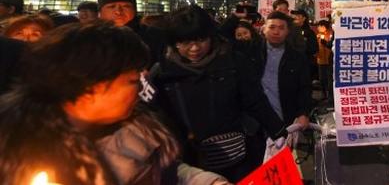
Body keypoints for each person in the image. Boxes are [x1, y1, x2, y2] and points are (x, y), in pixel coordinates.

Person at [0, 21, 229, 184]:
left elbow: (167, 172)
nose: (141, 88)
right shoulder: (17, 157)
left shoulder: (137, 127)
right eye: (131, 81)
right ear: (92, 83)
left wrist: (208, 182)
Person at [151, 6, 286, 182]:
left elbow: (255, 100)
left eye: (201, 40)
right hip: (189, 163)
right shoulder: (162, 74)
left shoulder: (232, 61)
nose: (194, 48)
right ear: (174, 42)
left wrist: (278, 131)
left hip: (237, 156)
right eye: (185, 42)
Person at [256, 11, 312, 130]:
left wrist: (303, 113)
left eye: (281, 28)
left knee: (284, 149)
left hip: (285, 121)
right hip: (255, 124)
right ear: (264, 29)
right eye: (272, 27)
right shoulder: (250, 53)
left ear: (287, 31)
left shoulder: (297, 58)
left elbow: (304, 88)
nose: (276, 32)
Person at [98, 0, 167, 66]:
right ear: (100, 12)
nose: (118, 11)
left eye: (126, 6)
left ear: (134, 9)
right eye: (112, 6)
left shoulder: (155, 36)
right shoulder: (91, 38)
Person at [315, 20, 334, 102]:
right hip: (320, 60)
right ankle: (324, 94)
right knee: (322, 79)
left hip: (328, 60)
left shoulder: (330, 35)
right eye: (318, 26)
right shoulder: (318, 35)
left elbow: (330, 46)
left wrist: (325, 43)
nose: (318, 28)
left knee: (328, 79)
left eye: (320, 26)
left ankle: (329, 96)